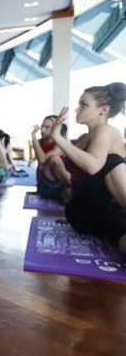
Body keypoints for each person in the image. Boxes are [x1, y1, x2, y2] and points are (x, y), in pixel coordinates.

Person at [53, 83, 126, 253]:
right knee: (112, 161)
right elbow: (92, 167)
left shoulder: (102, 132)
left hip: (91, 214)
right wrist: (58, 138)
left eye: (83, 105)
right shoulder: (95, 134)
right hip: (91, 209)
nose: (77, 110)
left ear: (104, 110)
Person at [31, 115, 69, 200]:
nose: (42, 130)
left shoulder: (61, 143)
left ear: (56, 129)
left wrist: (34, 137)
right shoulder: (40, 142)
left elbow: (42, 159)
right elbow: (40, 164)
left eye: (47, 127)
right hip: (45, 184)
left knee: (54, 159)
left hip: (60, 184)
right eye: (42, 126)